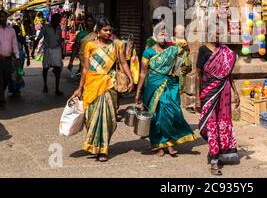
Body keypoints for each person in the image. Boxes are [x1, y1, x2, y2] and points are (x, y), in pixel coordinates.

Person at [70, 17, 134, 162]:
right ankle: (94, 145)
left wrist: (130, 79)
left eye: (110, 30)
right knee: (91, 117)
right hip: (92, 84)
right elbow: (85, 69)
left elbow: (123, 63)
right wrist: (79, 88)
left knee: (108, 117)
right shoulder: (90, 46)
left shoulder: (117, 45)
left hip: (109, 84)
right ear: (98, 31)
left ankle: (103, 148)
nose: (108, 33)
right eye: (105, 30)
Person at [135, 25, 196, 157]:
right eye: (160, 35)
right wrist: (138, 91)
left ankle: (170, 142)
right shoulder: (148, 52)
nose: (163, 38)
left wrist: (186, 62)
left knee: (172, 113)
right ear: (154, 36)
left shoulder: (174, 50)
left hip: (171, 85)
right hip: (153, 86)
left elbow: (185, 64)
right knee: (156, 116)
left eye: (165, 35)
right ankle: (159, 145)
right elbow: (143, 73)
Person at [195, 37, 240, 175]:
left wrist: (235, 91)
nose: (217, 36)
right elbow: (198, 74)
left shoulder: (225, 51)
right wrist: (197, 97)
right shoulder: (203, 50)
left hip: (224, 91)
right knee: (210, 122)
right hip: (208, 91)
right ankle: (214, 157)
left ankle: (215, 157)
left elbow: (228, 74)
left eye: (220, 32)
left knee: (221, 122)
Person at [32, 13, 64, 95]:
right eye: (58, 20)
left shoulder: (59, 27)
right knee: (45, 68)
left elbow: (60, 40)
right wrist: (33, 50)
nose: (59, 21)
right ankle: (45, 85)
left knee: (57, 69)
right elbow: (38, 39)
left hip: (57, 50)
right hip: (48, 50)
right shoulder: (46, 27)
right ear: (53, 19)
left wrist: (62, 51)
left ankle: (57, 88)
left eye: (59, 20)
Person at [0, 10, 20, 108]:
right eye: (0, 17)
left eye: (3, 16)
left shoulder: (11, 31)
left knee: (6, 79)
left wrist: (17, 57)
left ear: (6, 18)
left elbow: (14, 44)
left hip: (8, 59)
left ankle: (1, 95)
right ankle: (2, 100)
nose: (2, 18)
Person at [8, 23, 30, 96]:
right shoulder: (20, 38)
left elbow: (26, 48)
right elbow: (26, 48)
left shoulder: (14, 38)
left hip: (17, 56)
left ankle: (15, 90)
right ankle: (16, 90)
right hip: (18, 56)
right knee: (17, 73)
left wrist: (29, 59)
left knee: (14, 73)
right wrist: (28, 59)